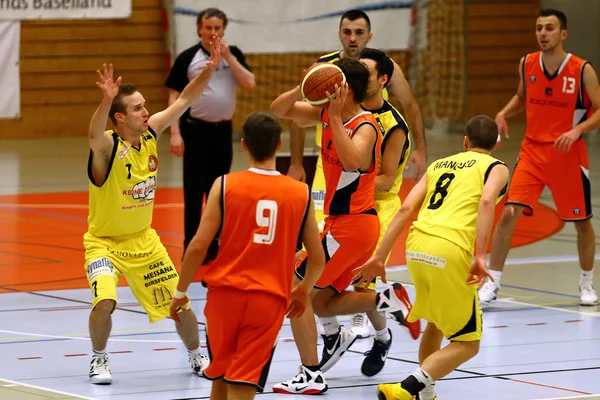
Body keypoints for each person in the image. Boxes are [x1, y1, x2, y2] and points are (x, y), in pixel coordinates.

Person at [270, 58, 418, 394]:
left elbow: (354, 160)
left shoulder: (366, 125)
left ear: (344, 89)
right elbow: (280, 109)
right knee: (321, 302)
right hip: (342, 226)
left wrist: (335, 116)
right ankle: (384, 298)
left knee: (297, 291)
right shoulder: (325, 114)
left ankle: (310, 374)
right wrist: (304, 84)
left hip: (352, 227)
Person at [84, 37, 220, 385]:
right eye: (137, 108)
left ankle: (196, 355)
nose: (146, 111)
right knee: (105, 302)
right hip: (104, 243)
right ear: (120, 117)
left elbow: (187, 97)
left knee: (182, 305)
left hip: (145, 243)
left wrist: (209, 69)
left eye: (145, 106)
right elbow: (93, 135)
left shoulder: (149, 135)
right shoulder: (107, 148)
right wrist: (103, 100)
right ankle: (98, 359)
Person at [288, 8, 426, 337]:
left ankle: (359, 323)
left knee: (339, 267)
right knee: (319, 263)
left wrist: (420, 148)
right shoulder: (327, 72)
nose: (353, 38)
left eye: (359, 32)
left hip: (369, 195)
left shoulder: (383, 110)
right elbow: (297, 116)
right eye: (347, 31)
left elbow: (410, 106)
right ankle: (343, 322)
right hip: (337, 182)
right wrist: (297, 161)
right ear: (339, 35)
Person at [169, 112, 325, 400]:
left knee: (219, 378)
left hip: (222, 298)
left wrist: (180, 292)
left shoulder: (225, 185)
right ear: (280, 145)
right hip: (267, 301)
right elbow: (317, 258)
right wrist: (303, 290)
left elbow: (196, 247)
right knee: (242, 384)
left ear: (243, 145)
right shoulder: (300, 193)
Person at [354, 115, 509, 400]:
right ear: (496, 144)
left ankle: (426, 394)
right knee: (468, 342)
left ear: (465, 141)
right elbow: (487, 201)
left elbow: (405, 208)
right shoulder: (497, 167)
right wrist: (482, 255)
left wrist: (380, 256)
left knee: (436, 322)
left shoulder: (439, 165)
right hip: (450, 248)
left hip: (417, 245)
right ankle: (406, 388)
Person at [478, 9, 600, 307]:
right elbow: (523, 95)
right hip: (532, 151)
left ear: (563, 34)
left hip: (567, 154)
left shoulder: (582, 69)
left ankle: (587, 283)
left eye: (549, 28)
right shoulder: (527, 63)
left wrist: (577, 130)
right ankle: (493, 282)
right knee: (507, 213)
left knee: (582, 222)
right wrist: (503, 113)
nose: (543, 33)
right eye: (539, 28)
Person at [316, 48, 416, 378]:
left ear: (379, 81)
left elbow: (384, 179)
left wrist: (354, 184)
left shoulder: (387, 124)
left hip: (375, 206)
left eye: (369, 73)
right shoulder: (341, 113)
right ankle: (378, 331)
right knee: (328, 288)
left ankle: (352, 339)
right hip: (343, 207)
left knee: (320, 286)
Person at [164, 7, 255, 262]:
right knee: (193, 193)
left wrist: (229, 57)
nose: (212, 32)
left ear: (224, 30)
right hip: (195, 131)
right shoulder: (188, 58)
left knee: (220, 193)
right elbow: (174, 95)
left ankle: (216, 248)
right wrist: (174, 133)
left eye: (217, 28)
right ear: (199, 29)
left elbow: (249, 83)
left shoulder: (233, 54)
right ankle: (192, 250)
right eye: (208, 28)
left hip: (222, 133)